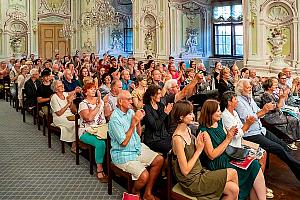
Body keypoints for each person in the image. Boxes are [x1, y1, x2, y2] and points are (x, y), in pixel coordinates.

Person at [198, 100, 266, 200]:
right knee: (251, 168)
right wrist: (228, 138)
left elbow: (228, 140)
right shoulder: (204, 131)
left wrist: (230, 134)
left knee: (254, 164)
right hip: (218, 163)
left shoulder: (219, 122)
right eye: (217, 111)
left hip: (228, 155)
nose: (220, 113)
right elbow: (212, 155)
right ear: (209, 113)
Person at [171, 100, 239, 200]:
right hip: (192, 182)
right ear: (181, 117)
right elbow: (185, 171)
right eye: (189, 114)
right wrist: (199, 150)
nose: (193, 116)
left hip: (200, 172)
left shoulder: (188, 129)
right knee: (233, 172)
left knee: (233, 189)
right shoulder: (177, 139)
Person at [235, 78, 300, 181]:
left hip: (261, 129)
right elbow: (249, 119)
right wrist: (264, 110)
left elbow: (258, 113)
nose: (250, 88)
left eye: (250, 86)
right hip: (251, 134)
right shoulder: (238, 101)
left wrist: (264, 110)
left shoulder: (250, 99)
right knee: (278, 149)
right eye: (248, 87)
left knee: (283, 145)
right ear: (241, 89)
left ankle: (295, 165)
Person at [109, 90, 164, 200]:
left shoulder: (130, 111)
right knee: (144, 176)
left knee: (159, 160)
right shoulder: (115, 119)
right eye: (129, 99)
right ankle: (135, 191)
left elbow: (138, 134)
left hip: (136, 148)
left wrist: (138, 121)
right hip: (122, 154)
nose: (131, 101)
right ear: (120, 101)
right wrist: (133, 123)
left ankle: (147, 193)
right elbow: (123, 143)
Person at [220, 91, 274, 199]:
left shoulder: (234, 113)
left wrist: (245, 126)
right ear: (229, 102)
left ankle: (258, 185)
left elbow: (241, 130)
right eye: (235, 99)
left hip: (240, 142)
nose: (237, 101)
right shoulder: (225, 115)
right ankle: (256, 186)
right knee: (257, 157)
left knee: (263, 153)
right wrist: (248, 124)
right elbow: (237, 134)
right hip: (233, 149)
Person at [78, 83, 108, 182]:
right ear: (85, 92)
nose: (94, 91)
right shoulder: (83, 104)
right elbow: (89, 118)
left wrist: (105, 103)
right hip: (87, 130)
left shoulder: (101, 101)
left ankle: (114, 166)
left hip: (101, 128)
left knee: (115, 138)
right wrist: (98, 105)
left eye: (94, 89)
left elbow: (106, 115)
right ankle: (99, 169)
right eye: (91, 89)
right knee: (100, 143)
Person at [261, 78, 299, 150]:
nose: (276, 86)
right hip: (271, 116)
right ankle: (289, 140)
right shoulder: (266, 95)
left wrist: (281, 97)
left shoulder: (270, 94)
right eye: (274, 85)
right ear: (269, 87)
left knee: (294, 119)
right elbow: (277, 106)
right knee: (291, 120)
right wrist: (281, 97)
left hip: (276, 114)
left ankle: (292, 139)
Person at [143, 84, 173, 156]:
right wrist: (165, 113)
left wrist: (169, 113)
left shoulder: (161, 105)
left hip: (164, 136)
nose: (161, 96)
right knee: (171, 148)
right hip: (153, 139)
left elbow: (166, 124)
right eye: (158, 94)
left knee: (178, 143)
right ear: (152, 95)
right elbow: (155, 126)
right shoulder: (146, 108)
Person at [50, 80, 77, 153]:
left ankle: (79, 143)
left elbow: (73, 110)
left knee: (81, 122)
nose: (62, 86)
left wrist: (71, 102)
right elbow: (59, 113)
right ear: (56, 89)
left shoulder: (66, 94)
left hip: (69, 115)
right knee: (75, 124)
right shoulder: (54, 98)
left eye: (62, 85)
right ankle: (74, 146)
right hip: (59, 117)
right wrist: (68, 103)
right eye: (60, 86)